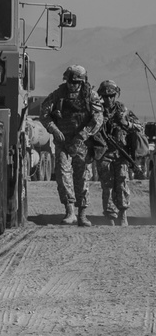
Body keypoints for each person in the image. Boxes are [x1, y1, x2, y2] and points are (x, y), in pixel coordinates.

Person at [38, 65, 104, 226]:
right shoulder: (58, 95)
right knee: (62, 174)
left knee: (82, 177)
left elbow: (98, 118)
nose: (72, 85)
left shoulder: (91, 96)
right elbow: (44, 113)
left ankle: (82, 213)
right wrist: (53, 129)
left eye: (76, 82)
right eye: (70, 81)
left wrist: (84, 134)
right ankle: (70, 211)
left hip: (82, 143)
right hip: (63, 142)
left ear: (82, 82)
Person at [95, 80, 143, 226]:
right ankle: (110, 216)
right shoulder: (98, 112)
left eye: (111, 96)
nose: (108, 99)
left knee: (121, 183)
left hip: (121, 154)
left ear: (116, 95)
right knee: (107, 185)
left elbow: (139, 128)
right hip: (104, 153)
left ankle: (123, 213)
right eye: (105, 96)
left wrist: (125, 123)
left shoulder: (124, 111)